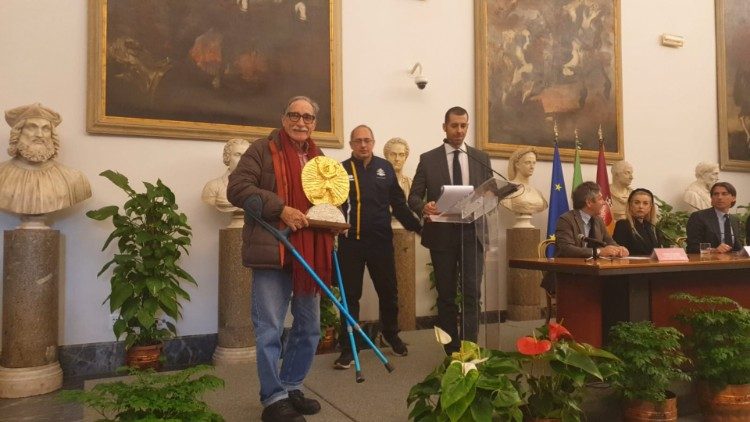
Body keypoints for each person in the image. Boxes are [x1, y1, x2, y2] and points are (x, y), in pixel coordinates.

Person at [227, 96, 331, 422]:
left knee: (309, 327)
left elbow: (328, 199)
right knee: (270, 329)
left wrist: (333, 222)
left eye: (308, 117)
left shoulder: (319, 157)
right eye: (294, 115)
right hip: (273, 250)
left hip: (309, 253)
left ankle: (290, 385)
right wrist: (280, 208)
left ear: (315, 123)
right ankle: (273, 399)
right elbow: (237, 188)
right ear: (283, 117)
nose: (301, 122)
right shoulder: (262, 148)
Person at [333, 125, 421, 369]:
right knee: (350, 297)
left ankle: (390, 334)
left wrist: (418, 226)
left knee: (389, 292)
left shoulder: (385, 168)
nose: (363, 145)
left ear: (373, 143)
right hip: (351, 244)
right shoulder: (340, 170)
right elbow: (333, 206)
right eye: (358, 141)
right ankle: (348, 347)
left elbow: (399, 204)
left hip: (381, 242)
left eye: (367, 140)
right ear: (351, 144)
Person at [407, 106, 492, 354]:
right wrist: (425, 207)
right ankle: (451, 351)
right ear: (444, 126)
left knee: (471, 295)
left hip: (472, 234)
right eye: (454, 125)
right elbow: (413, 197)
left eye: (464, 126)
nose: (459, 131)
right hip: (442, 236)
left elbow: (488, 195)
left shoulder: (481, 158)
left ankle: (469, 348)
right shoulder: (428, 159)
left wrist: (492, 198)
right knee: (445, 296)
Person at [0, 103, 91, 215]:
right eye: (32, 127)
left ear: (52, 135)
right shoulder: (1, 174)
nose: (39, 135)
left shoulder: (74, 179)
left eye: (45, 129)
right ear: (18, 132)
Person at [554, 181, 629, 259]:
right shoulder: (566, 219)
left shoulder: (598, 220)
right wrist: (599, 252)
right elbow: (566, 249)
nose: (604, 203)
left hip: (594, 268)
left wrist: (619, 249)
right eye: (600, 199)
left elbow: (609, 242)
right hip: (569, 268)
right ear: (589, 203)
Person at [685, 182, 743, 254]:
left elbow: (738, 247)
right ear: (711, 198)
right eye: (716, 194)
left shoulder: (735, 220)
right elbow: (692, 247)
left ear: (733, 198)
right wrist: (714, 250)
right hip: (708, 262)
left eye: (724, 194)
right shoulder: (699, 217)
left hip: (733, 263)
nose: (719, 197)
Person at [202, 138, 251, 213]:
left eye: (246, 156)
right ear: (227, 157)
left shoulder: (260, 186)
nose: (243, 160)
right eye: (238, 155)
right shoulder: (212, 187)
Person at [612, 188, 665, 255]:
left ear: (650, 207)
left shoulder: (653, 227)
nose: (640, 206)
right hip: (632, 264)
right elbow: (619, 252)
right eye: (637, 203)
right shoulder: (623, 225)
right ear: (630, 205)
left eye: (645, 203)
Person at [499, 146, 548, 216]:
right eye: (528, 162)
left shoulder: (538, 193)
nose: (532, 167)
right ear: (517, 165)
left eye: (534, 163)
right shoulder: (508, 190)